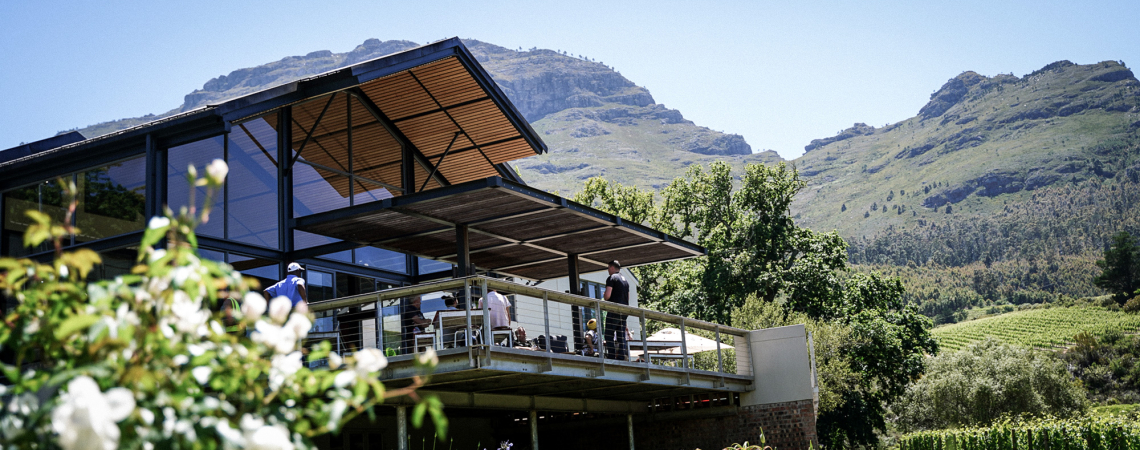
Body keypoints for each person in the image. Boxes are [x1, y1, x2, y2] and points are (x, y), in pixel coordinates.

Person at [602, 260, 630, 361]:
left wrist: (604, 295)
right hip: (624, 311)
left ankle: (611, 356)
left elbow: (607, 296)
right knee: (621, 335)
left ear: (612, 267)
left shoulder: (612, 278)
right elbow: (628, 297)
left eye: (608, 268)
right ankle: (622, 356)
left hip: (614, 310)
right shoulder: (625, 280)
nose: (608, 270)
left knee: (608, 334)